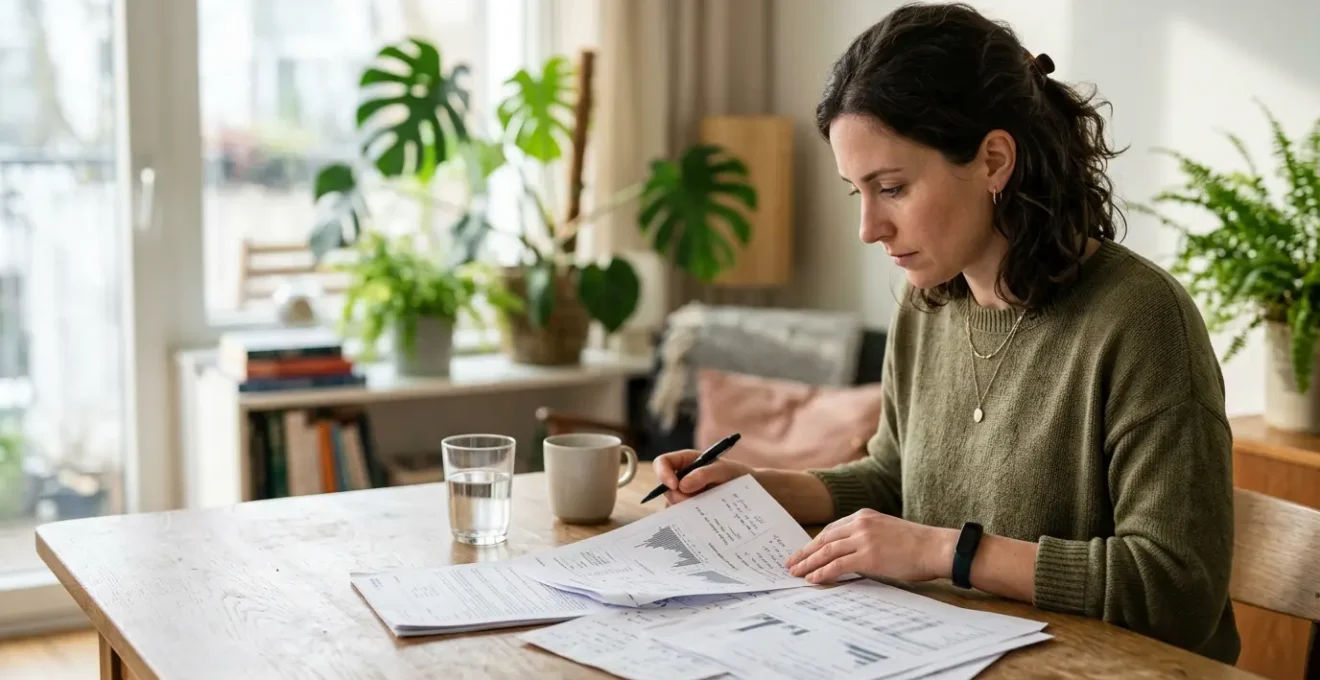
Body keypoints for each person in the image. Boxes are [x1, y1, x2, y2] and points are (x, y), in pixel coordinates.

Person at [651, 1, 1239, 665]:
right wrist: (757, 488)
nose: (869, 228)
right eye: (857, 192)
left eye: (892, 187)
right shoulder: (928, 302)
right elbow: (895, 476)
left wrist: (945, 551)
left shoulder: (1140, 318)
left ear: (993, 160)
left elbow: (1176, 590)